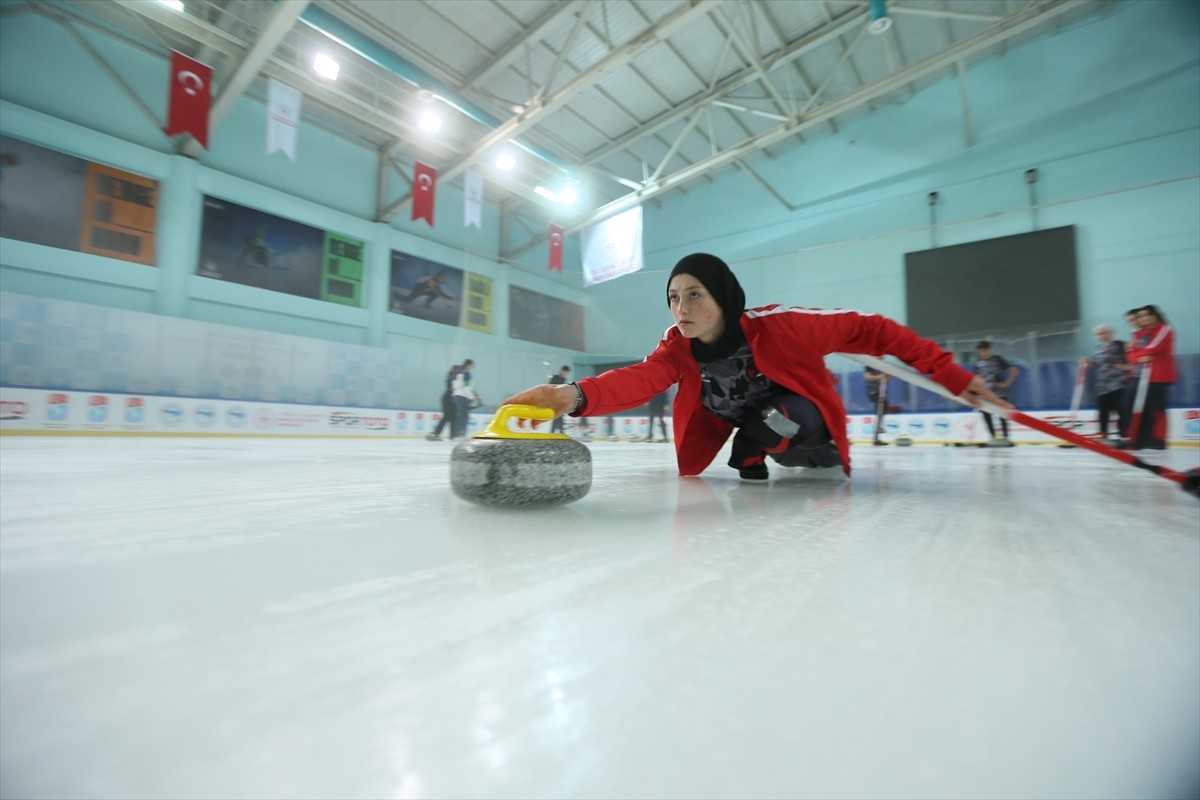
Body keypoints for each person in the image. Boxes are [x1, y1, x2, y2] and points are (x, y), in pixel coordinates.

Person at [500, 253, 1009, 482]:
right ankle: (753, 445)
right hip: (777, 446)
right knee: (780, 435)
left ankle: (754, 443)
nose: (682, 309)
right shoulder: (677, 345)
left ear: (722, 296)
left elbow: (873, 330)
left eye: (694, 296)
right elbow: (643, 378)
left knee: (795, 420)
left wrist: (955, 378)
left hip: (810, 434)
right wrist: (574, 395)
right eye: (674, 298)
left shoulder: (782, 325)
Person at [1123, 305, 1176, 450]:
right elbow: (1130, 354)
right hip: (1140, 375)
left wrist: (1136, 354)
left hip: (1158, 376)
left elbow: (1153, 348)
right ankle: (1141, 438)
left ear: (1155, 316)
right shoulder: (1139, 334)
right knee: (1140, 408)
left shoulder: (1164, 329)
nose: (1143, 319)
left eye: (1147, 315)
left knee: (1156, 409)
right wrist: (1138, 357)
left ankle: (1159, 440)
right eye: (1140, 316)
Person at [1081, 325, 1126, 441]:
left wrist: (1124, 366)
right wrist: (1089, 363)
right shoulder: (1098, 348)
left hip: (1117, 384)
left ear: (1111, 333)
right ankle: (1103, 432)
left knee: (1121, 410)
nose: (1101, 336)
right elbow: (1098, 365)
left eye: (1104, 333)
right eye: (1098, 334)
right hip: (1102, 385)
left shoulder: (1120, 345)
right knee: (1103, 411)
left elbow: (1130, 359)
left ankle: (1124, 433)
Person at [972, 341, 1019, 442]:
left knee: (1003, 414)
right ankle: (992, 436)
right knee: (986, 416)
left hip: (998, 393)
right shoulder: (977, 363)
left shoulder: (997, 360)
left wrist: (1006, 383)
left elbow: (1013, 370)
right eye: (980, 352)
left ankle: (1006, 436)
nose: (982, 353)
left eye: (984, 351)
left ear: (989, 350)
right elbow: (975, 378)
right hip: (984, 394)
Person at [426, 362, 460, 441]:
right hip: (447, 399)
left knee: (453, 417)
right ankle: (436, 433)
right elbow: (451, 389)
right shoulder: (451, 378)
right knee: (447, 417)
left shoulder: (454, 379)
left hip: (451, 399)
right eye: (458, 371)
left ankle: (451, 435)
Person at [450, 359, 480, 439]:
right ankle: (461, 433)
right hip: (462, 397)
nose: (473, 367)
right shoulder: (466, 374)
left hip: (457, 396)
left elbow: (457, 386)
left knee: (460, 416)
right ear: (468, 365)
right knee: (464, 416)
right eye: (472, 365)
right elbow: (466, 387)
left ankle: (457, 433)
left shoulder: (460, 373)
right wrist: (472, 397)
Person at [863, 366, 889, 445]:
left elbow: (887, 380)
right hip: (873, 392)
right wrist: (880, 377)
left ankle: (878, 431)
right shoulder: (870, 364)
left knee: (883, 408)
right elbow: (868, 377)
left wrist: (887, 376)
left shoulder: (883, 365)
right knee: (880, 409)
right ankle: (877, 431)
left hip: (881, 392)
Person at [547, 366, 571, 434]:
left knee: (558, 417)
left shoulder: (564, 379)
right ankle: (558, 433)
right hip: (554, 400)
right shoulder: (555, 377)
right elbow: (550, 387)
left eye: (567, 373)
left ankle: (554, 433)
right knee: (558, 417)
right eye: (566, 373)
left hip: (559, 401)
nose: (566, 374)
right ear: (562, 371)